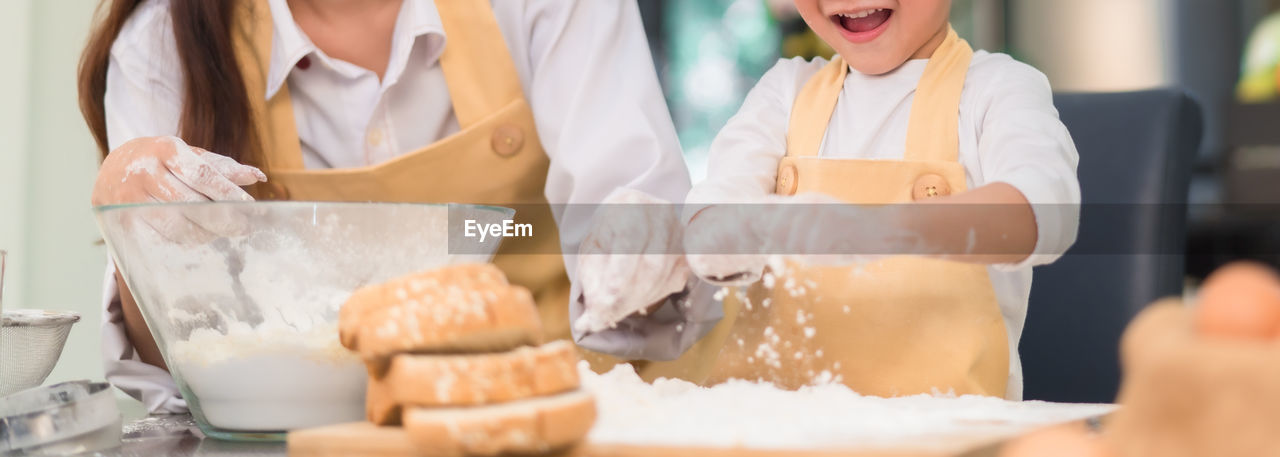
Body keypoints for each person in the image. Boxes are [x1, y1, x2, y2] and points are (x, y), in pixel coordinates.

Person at [80, 0, 701, 413]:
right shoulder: (163, 44)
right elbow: (186, 361)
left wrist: (642, 248)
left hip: (556, 415)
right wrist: (133, 231)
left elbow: (635, 228)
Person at [580, 0, 1081, 400]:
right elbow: (715, 213)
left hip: (945, 433)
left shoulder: (996, 90)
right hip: (781, 429)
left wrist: (872, 231)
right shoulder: (784, 93)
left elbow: (1046, 212)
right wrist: (660, 250)